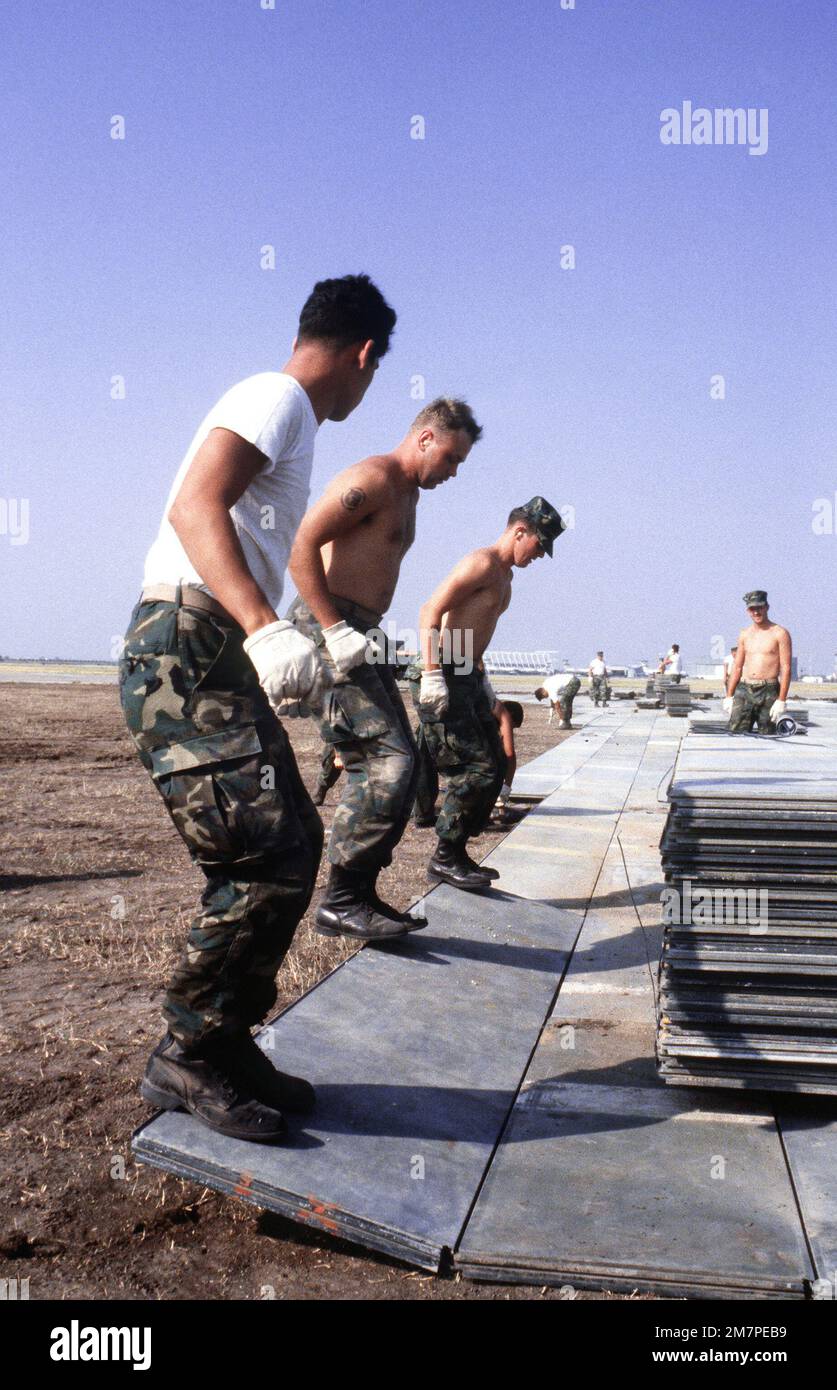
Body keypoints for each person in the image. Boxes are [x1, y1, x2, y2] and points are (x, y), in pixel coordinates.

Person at [119, 273, 396, 1144]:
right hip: (185, 645)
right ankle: (189, 1050)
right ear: (362, 354)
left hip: (209, 647)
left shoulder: (291, 417)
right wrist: (265, 628)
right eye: (375, 369)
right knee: (264, 850)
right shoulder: (277, 397)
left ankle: (223, 1038)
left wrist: (289, 636)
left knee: (290, 841)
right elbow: (193, 505)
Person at [286, 398, 483, 939]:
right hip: (331, 625)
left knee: (405, 763)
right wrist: (331, 629)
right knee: (388, 761)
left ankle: (360, 893)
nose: (453, 471)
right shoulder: (371, 478)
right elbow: (300, 544)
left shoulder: (408, 493)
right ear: (424, 438)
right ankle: (340, 900)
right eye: (450, 458)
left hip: (363, 630)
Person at [417, 497, 565, 891]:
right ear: (520, 532)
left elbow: (475, 633)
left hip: (467, 675)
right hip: (444, 673)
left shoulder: (506, 577)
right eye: (538, 546)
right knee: (477, 769)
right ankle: (444, 857)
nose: (538, 557)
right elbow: (430, 611)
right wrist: (432, 675)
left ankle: (459, 851)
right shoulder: (481, 563)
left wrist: (480, 678)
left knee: (497, 764)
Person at [723, 590, 792, 733]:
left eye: (759, 607)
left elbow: (786, 668)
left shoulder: (780, 633)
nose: (756, 612)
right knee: (735, 733)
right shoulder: (745, 634)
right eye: (752, 609)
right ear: (748, 611)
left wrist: (781, 700)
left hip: (769, 690)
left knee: (768, 735)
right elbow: (737, 667)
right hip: (744, 689)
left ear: (766, 607)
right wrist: (729, 696)